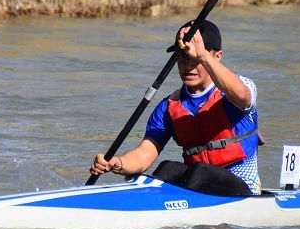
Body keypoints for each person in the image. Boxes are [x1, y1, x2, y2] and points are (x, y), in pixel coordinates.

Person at [90, 20, 263, 196]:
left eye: (194, 59)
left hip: (243, 191)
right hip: (197, 188)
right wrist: (116, 163)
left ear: (216, 56)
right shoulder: (168, 107)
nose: (188, 66)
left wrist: (202, 54)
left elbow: (242, 96)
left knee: (201, 171)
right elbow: (143, 156)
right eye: (182, 57)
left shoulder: (240, 87)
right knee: (168, 168)